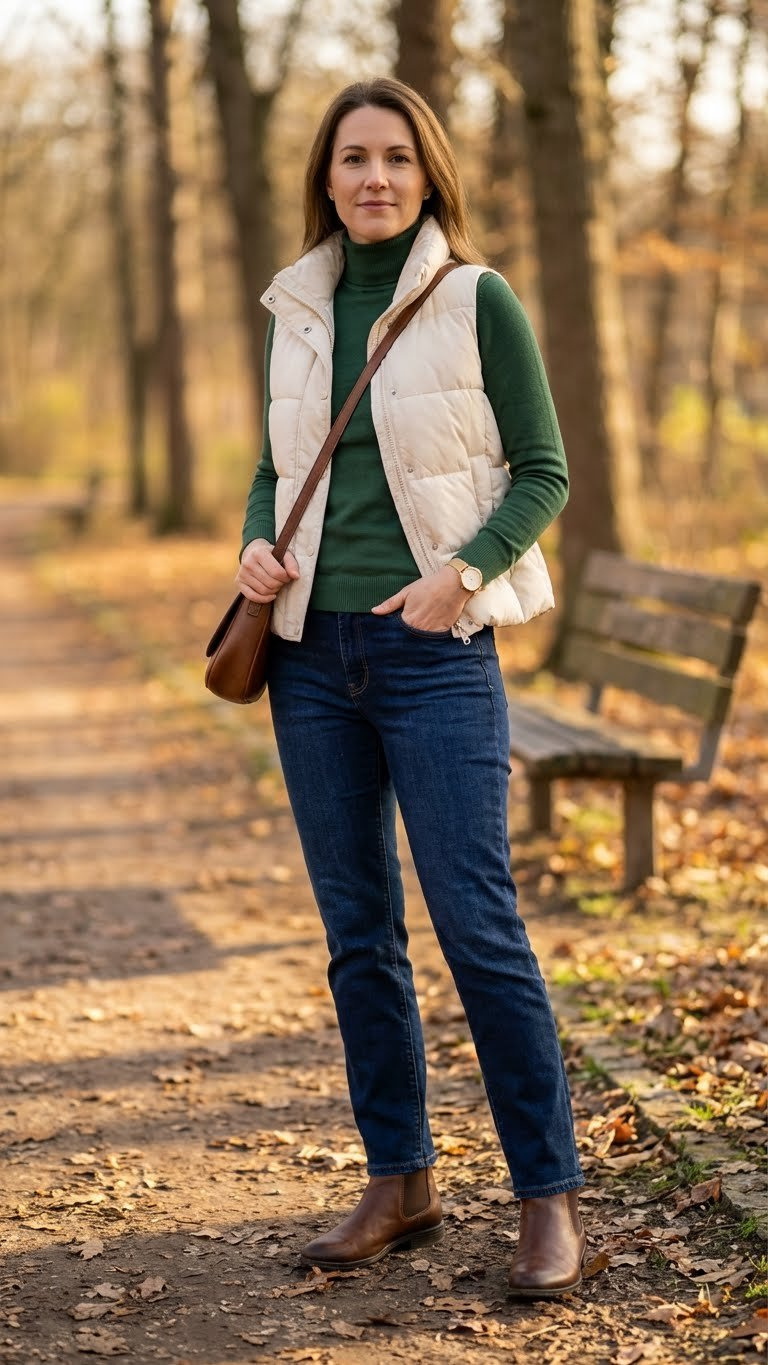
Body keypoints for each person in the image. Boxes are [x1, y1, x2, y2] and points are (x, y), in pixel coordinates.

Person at [235, 76, 586, 1298]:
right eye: (351, 160)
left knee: (479, 930)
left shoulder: (478, 300)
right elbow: (273, 465)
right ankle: (401, 1179)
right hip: (307, 660)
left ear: (428, 173)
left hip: (436, 657)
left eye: (394, 157)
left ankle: (548, 1197)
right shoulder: (298, 308)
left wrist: (465, 574)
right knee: (357, 937)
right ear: (324, 179)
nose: (373, 177)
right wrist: (253, 543)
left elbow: (541, 473)